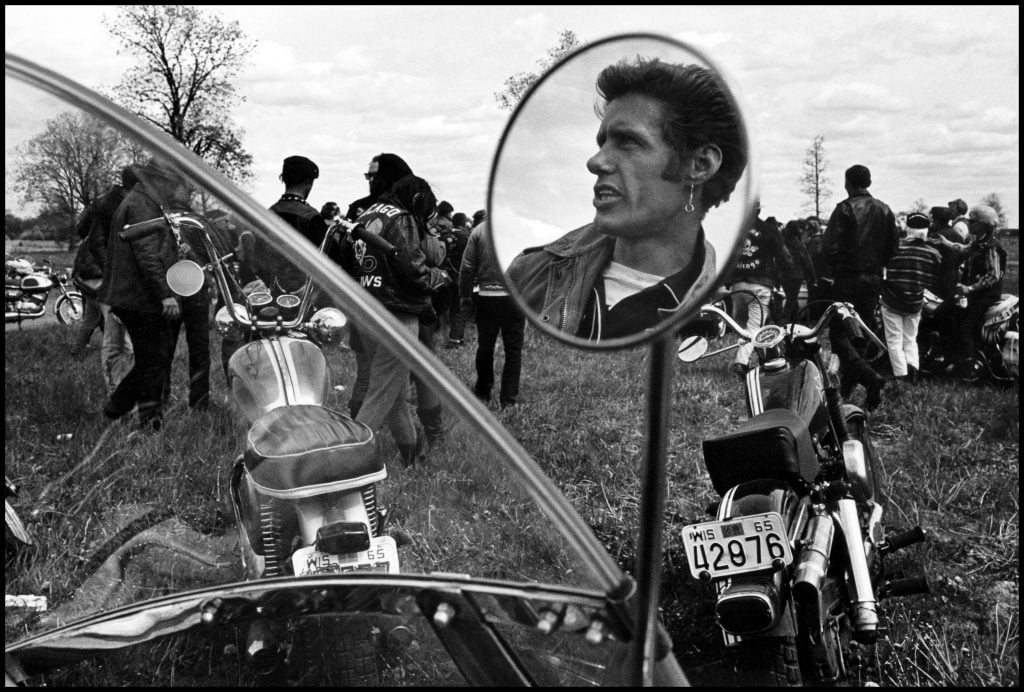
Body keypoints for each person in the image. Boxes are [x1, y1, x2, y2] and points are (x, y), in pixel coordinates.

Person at [507, 56, 747, 342]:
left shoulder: (714, 318)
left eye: (628, 142)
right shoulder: (532, 274)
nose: (596, 162)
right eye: (602, 142)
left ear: (700, 166)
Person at [338, 174, 447, 466]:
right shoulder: (404, 219)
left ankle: (411, 455)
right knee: (380, 394)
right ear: (416, 199)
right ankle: (345, 462)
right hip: (397, 314)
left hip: (365, 309)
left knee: (394, 393)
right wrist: (440, 276)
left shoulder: (369, 212)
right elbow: (414, 270)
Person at [99, 158, 189, 431]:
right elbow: (146, 254)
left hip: (133, 296)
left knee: (154, 359)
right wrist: (165, 294)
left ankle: (119, 407)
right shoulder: (142, 206)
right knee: (154, 361)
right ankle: (146, 423)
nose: (171, 191)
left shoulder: (139, 203)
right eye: (169, 185)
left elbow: (150, 250)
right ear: (156, 181)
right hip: (140, 299)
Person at [822, 164, 899, 410]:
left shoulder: (844, 209)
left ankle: (868, 377)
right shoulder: (885, 210)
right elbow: (893, 248)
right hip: (873, 279)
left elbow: (829, 247)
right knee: (862, 333)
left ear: (847, 183)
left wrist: (833, 269)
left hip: (847, 278)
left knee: (839, 334)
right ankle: (847, 388)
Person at [344, 153, 415, 419]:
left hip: (392, 301)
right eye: (368, 175)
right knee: (370, 371)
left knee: (397, 378)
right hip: (375, 300)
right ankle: (358, 430)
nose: (370, 180)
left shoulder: (405, 210)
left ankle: (411, 445)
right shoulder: (360, 209)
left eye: (374, 175)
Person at [931, 204, 1007, 377]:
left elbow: (993, 275)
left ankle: (970, 366)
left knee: (966, 327)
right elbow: (964, 249)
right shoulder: (979, 242)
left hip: (985, 295)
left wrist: (969, 288)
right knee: (942, 312)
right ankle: (949, 357)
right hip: (971, 293)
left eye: (972, 221)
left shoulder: (991, 246)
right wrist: (946, 243)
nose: (969, 223)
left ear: (983, 224)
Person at [460, 220, 526, 407]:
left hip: (487, 296)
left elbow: (467, 267)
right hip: (515, 298)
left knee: (485, 346)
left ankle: (482, 391)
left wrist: (465, 295)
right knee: (513, 350)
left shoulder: (480, 230)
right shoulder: (521, 227)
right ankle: (508, 399)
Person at [727, 199, 794, 376]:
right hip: (761, 285)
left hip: (737, 285)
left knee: (743, 327)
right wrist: (787, 277)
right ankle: (741, 363)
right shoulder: (770, 231)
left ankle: (766, 358)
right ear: (758, 210)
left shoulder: (733, 230)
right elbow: (784, 258)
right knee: (753, 329)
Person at [879, 213, 941, 385]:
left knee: (894, 341)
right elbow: (932, 279)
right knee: (910, 339)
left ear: (908, 228)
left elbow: (884, 272)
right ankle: (913, 373)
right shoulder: (933, 253)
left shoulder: (895, 248)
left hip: (892, 300)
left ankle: (901, 376)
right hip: (915, 302)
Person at [262, 155, 329, 293]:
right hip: (304, 294)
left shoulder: (268, 214)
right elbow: (326, 264)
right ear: (308, 182)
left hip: (271, 291)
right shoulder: (312, 217)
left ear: (284, 179)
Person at [444, 211, 472, 348]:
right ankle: (455, 339)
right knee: (462, 307)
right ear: (464, 222)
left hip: (446, 275)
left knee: (452, 306)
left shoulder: (446, 233)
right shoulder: (466, 236)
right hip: (461, 276)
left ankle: (450, 333)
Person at [780, 219, 816, 324]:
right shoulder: (799, 245)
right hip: (796, 276)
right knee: (791, 300)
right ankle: (784, 322)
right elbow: (807, 262)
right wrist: (813, 278)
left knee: (791, 299)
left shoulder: (783, 243)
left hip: (784, 275)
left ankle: (792, 322)